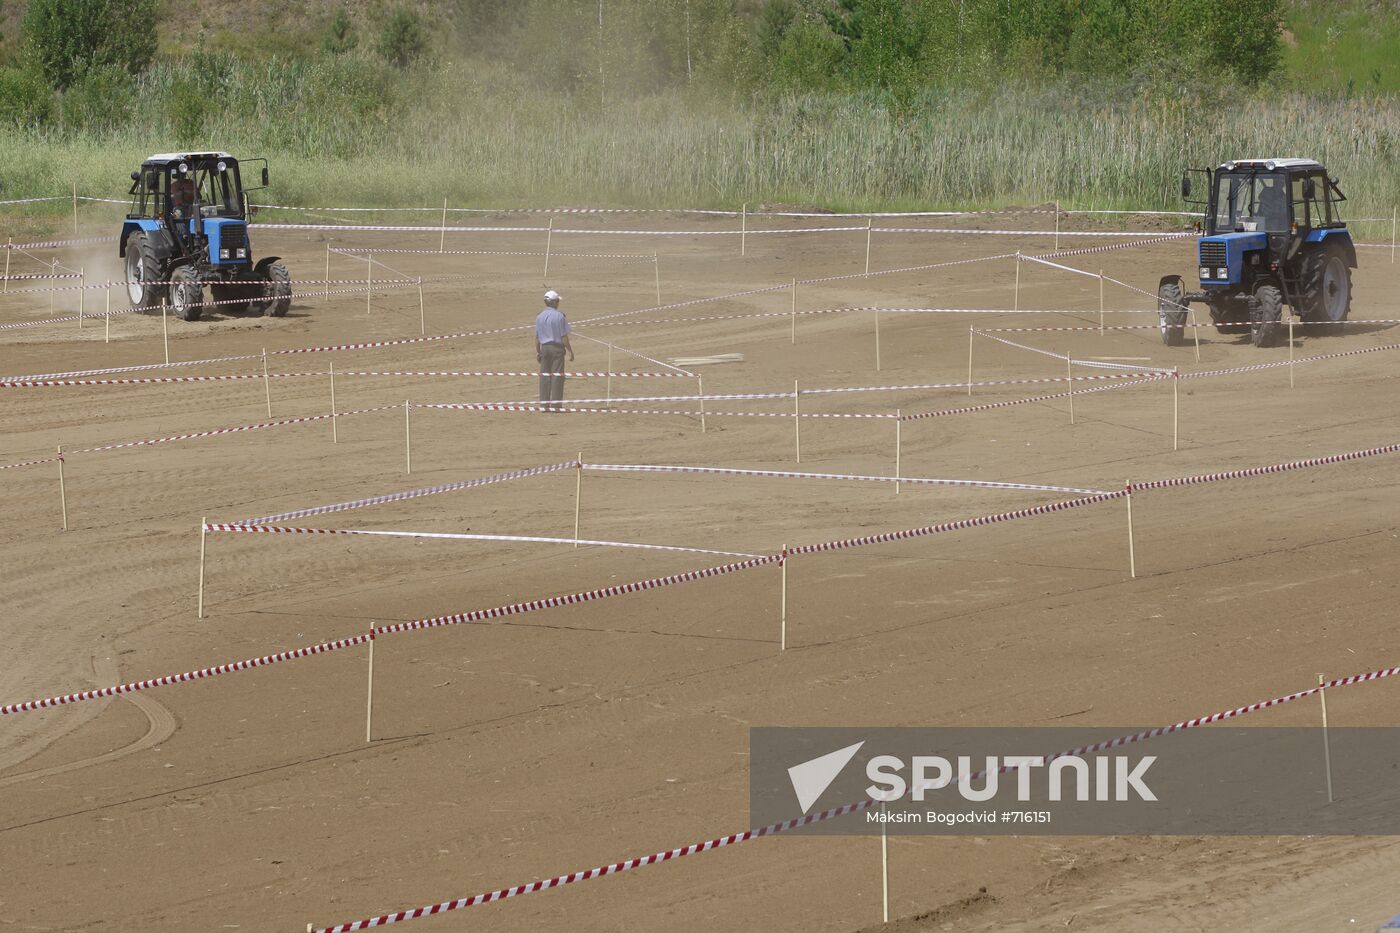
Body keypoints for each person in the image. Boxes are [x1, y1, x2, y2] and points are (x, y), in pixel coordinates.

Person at [535, 289, 574, 411]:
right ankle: (556, 405)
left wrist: (538, 352)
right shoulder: (559, 316)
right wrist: (570, 351)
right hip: (557, 349)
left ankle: (544, 405)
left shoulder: (539, 316)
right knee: (557, 376)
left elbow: (537, 338)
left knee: (545, 376)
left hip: (545, 348)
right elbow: (564, 337)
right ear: (555, 302)